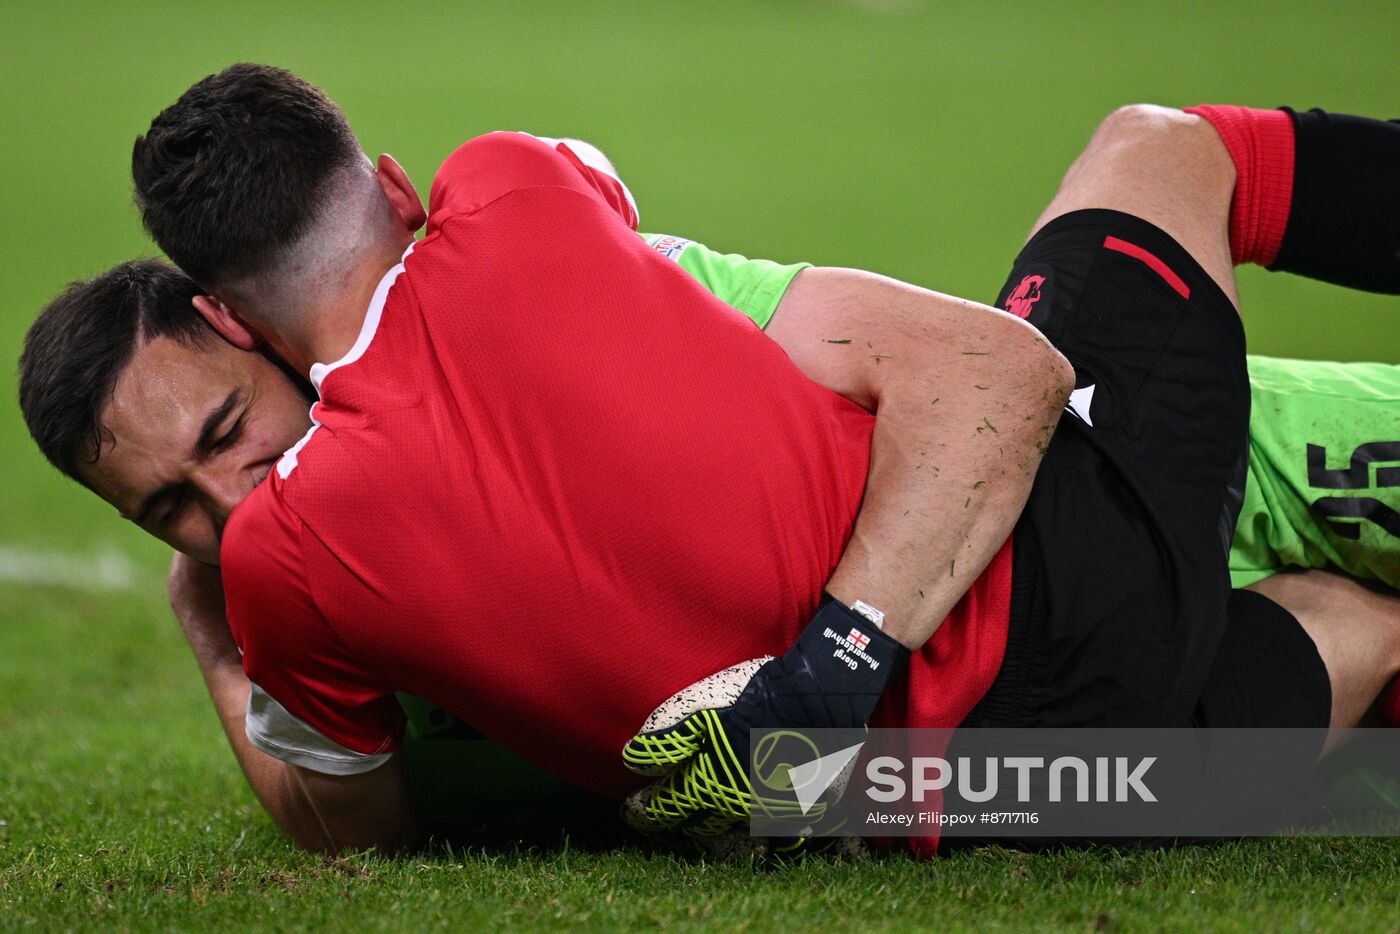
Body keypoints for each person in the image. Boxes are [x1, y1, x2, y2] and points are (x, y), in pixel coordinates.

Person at [21, 245, 1399, 841]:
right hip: (1015, 747)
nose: (233, 500)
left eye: (225, 429)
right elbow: (339, 824)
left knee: (1173, 145)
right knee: (1290, 703)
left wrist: (835, 667)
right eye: (174, 510)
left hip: (1093, 473)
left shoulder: (549, 316)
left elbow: (992, 373)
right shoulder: (324, 624)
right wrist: (217, 623)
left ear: (253, 329)